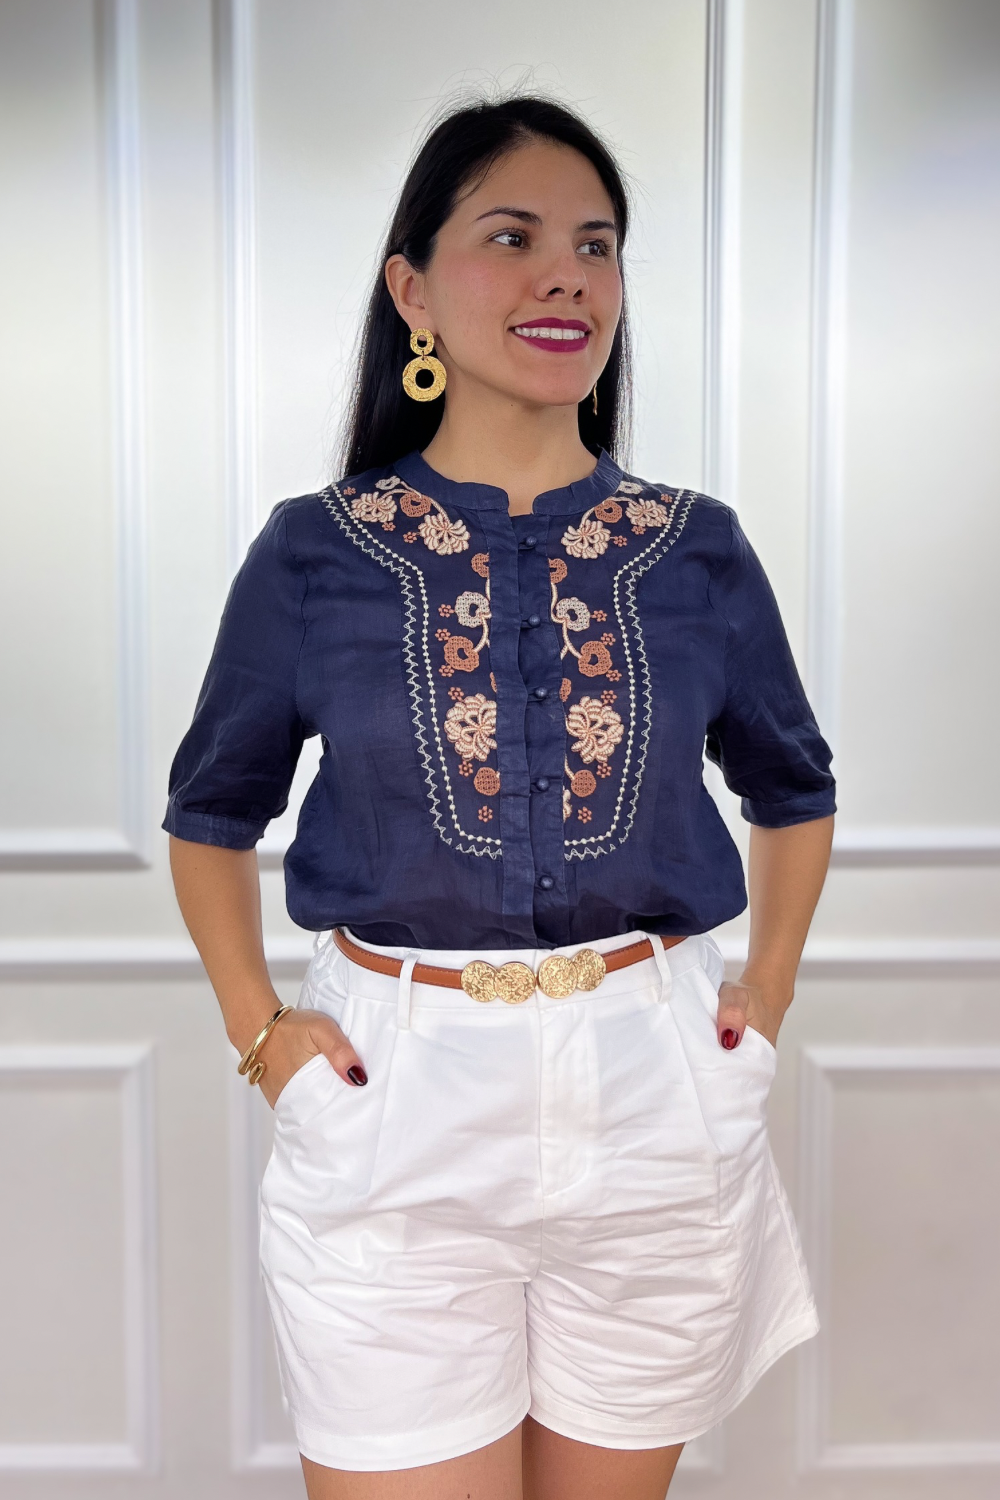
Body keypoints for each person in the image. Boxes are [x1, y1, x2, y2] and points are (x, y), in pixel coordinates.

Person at [165, 94, 835, 1500]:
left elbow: (793, 785)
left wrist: (764, 996)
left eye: (596, 246)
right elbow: (211, 813)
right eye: (512, 237)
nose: (565, 277)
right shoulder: (315, 555)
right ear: (412, 290)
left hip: (653, 1106)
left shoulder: (696, 549)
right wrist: (261, 1038)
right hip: (391, 1106)